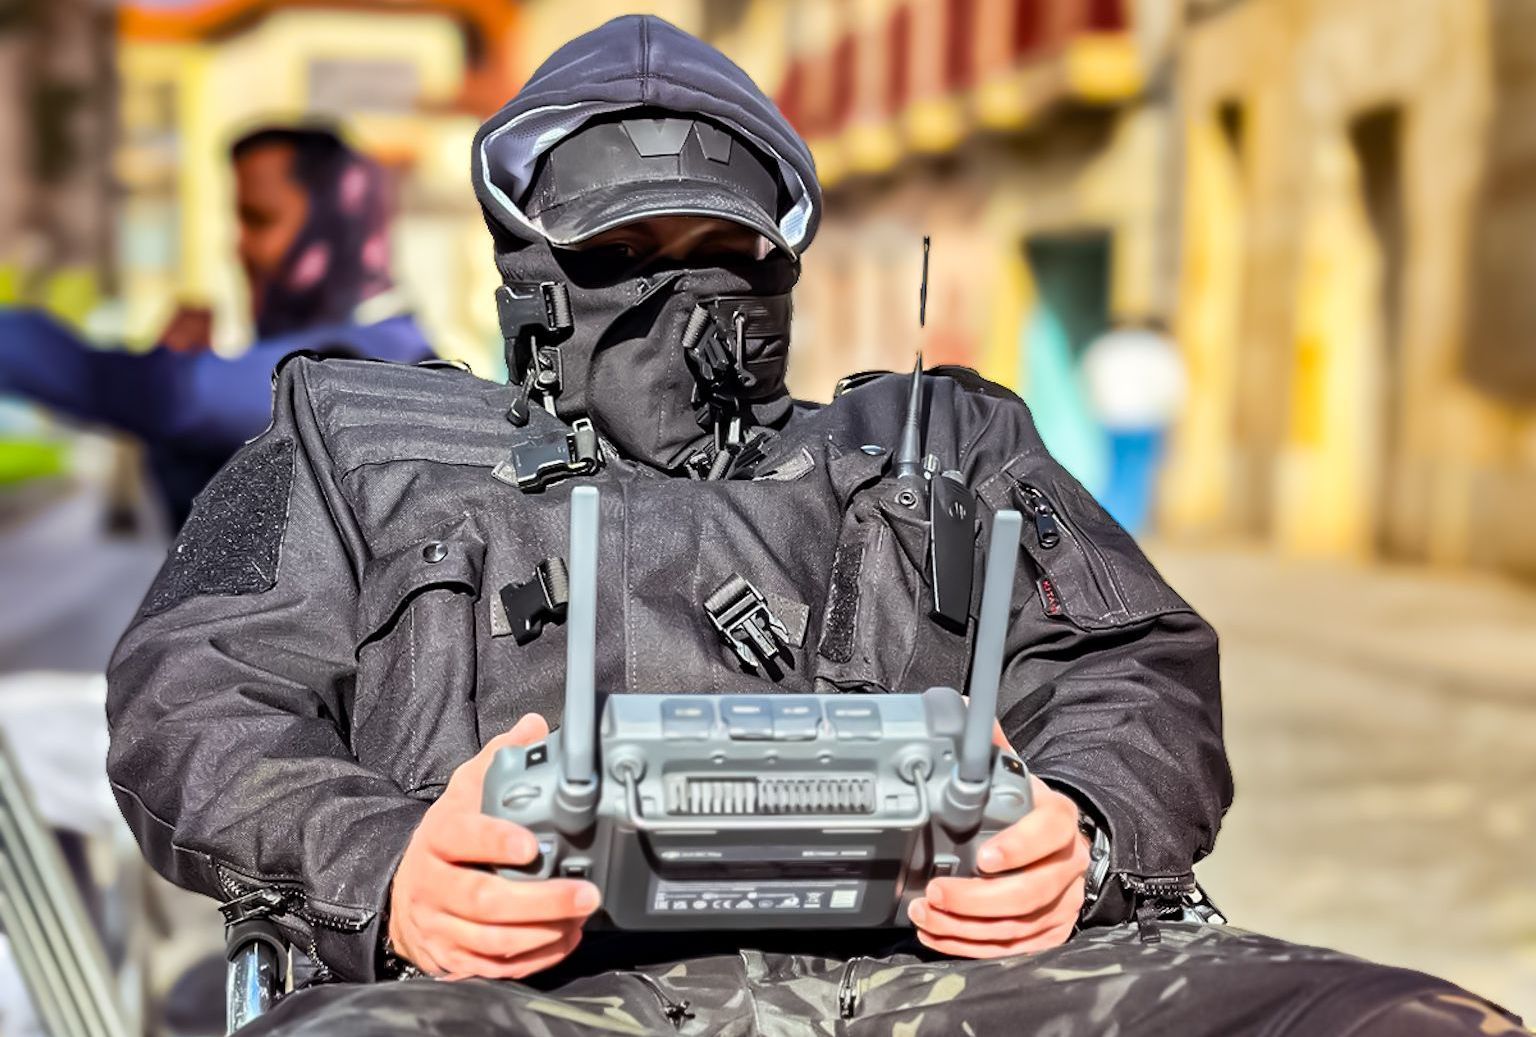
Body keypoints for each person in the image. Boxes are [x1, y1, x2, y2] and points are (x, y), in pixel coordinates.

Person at [105, 17, 1526, 1037]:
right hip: (510, 998)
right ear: (533, 281)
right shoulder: (358, 448)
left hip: (970, 983)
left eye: (727, 256)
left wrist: (1082, 833)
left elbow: (1137, 663)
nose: (679, 300)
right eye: (617, 261)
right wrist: (390, 868)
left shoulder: (949, 442)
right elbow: (190, 702)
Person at [0, 125, 435, 527]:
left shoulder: (349, 368)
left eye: (259, 220)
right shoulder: (394, 349)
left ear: (337, 229)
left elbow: (158, 395)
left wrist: (172, 377)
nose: (239, 248)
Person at [1080, 317, 1188, 536]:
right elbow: (1171, 385)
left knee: (1114, 472)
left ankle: (1108, 523)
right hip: (1145, 420)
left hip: (1111, 419)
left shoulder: (1105, 346)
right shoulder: (1157, 349)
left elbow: (1088, 377)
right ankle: (1128, 528)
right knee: (1137, 475)